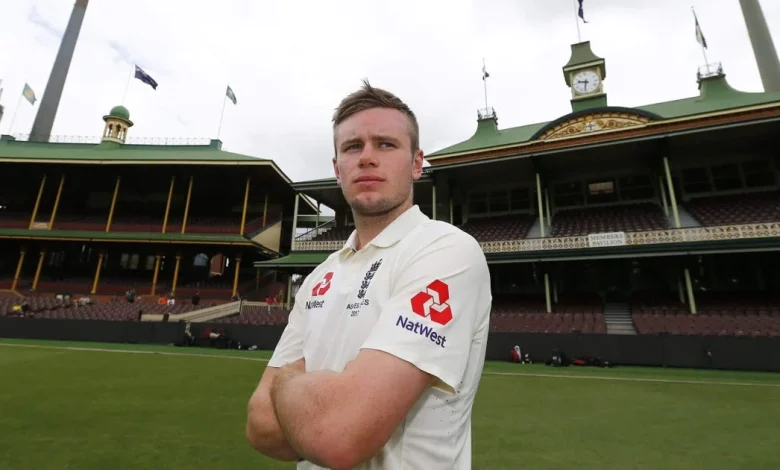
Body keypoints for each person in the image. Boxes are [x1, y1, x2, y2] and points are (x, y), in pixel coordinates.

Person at [245, 80, 492, 469]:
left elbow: (340, 436)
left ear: (415, 163)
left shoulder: (446, 250)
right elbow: (260, 425)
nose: (366, 157)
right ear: (337, 169)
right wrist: (328, 405)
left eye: (386, 144)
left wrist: (284, 383)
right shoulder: (319, 277)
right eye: (352, 147)